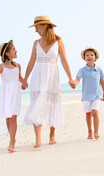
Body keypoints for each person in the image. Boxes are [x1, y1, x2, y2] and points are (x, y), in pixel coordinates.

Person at [22, 16, 75, 148]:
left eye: (37, 27)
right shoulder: (36, 43)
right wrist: (24, 79)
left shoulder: (59, 41)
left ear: (45, 25)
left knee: (52, 105)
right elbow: (31, 62)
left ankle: (52, 136)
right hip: (38, 77)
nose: (35, 30)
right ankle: (38, 139)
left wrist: (70, 78)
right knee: (36, 105)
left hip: (52, 77)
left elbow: (64, 60)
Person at [0, 40, 25, 152]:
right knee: (8, 118)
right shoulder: (1, 66)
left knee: (13, 117)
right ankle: (12, 138)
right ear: (7, 53)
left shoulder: (18, 65)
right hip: (6, 92)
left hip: (15, 92)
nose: (16, 51)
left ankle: (11, 142)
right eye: (13, 49)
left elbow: (19, 77)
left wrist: (24, 82)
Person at [72, 47, 104, 140]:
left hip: (97, 95)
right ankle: (90, 131)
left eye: (91, 55)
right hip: (86, 95)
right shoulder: (82, 70)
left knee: (95, 112)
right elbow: (77, 79)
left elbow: (102, 81)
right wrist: (74, 83)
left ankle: (96, 131)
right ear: (84, 58)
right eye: (87, 55)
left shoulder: (99, 69)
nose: (89, 57)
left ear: (95, 57)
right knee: (88, 114)